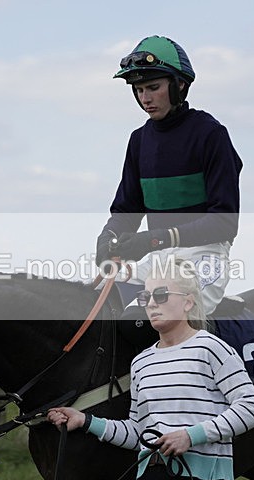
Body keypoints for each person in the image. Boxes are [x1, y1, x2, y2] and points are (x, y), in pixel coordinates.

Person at [48, 260, 254, 480]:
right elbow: (137, 431)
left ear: (188, 302)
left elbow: (251, 408)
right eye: (145, 296)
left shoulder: (211, 348)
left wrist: (191, 435)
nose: (150, 303)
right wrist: (86, 421)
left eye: (161, 295)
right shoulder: (141, 362)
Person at [95, 35, 243, 315]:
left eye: (153, 87)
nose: (145, 98)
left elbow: (225, 222)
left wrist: (153, 239)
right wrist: (107, 237)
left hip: (204, 255)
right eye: (138, 90)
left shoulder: (210, 134)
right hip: (158, 259)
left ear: (179, 86)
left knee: (149, 316)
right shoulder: (139, 141)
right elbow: (127, 211)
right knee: (93, 308)